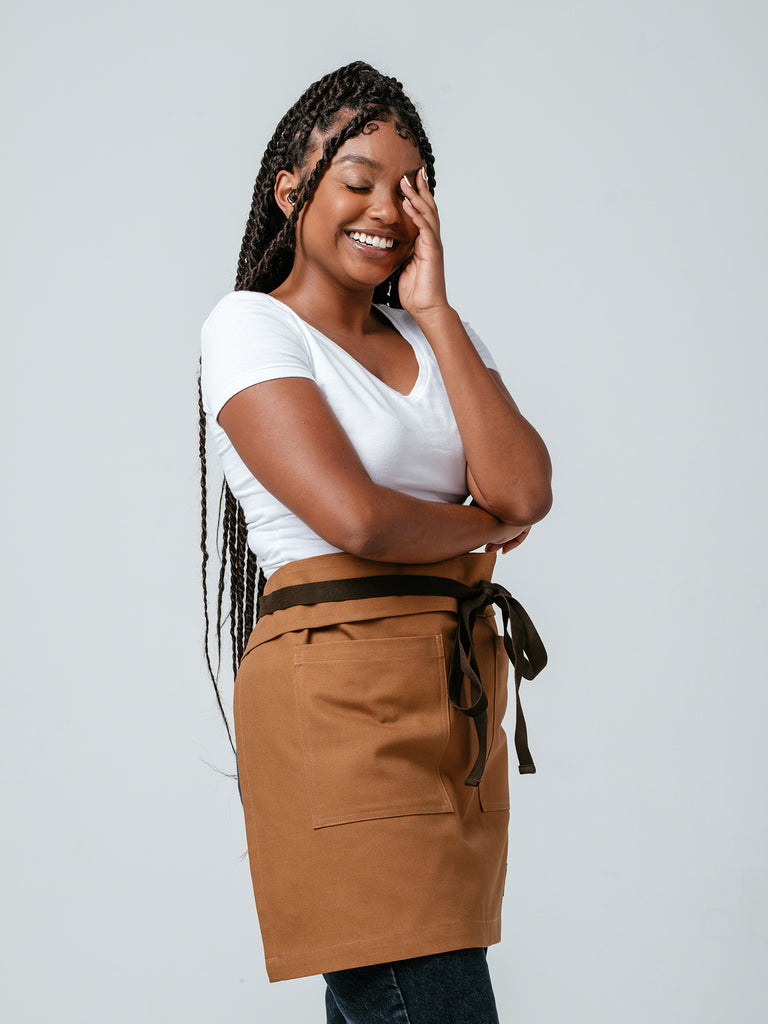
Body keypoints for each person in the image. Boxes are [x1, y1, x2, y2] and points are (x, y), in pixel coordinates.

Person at [198, 61, 552, 1024]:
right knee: (423, 989)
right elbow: (355, 518)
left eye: (409, 190)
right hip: (339, 699)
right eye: (358, 182)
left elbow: (527, 487)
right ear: (291, 190)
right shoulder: (251, 327)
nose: (386, 211)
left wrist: (435, 311)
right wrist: (485, 530)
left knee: (406, 989)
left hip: (450, 692)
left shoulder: (434, 331)